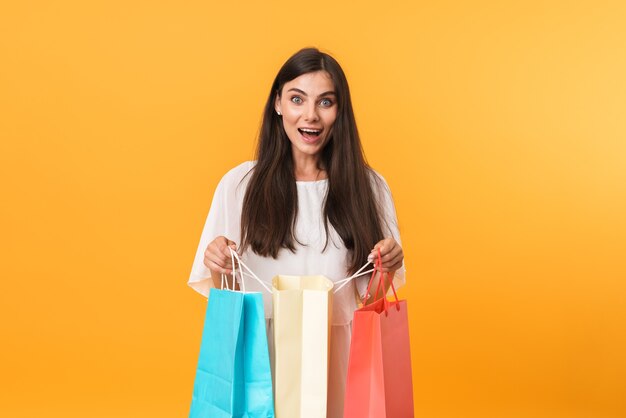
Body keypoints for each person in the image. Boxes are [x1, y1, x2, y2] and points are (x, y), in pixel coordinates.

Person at [187, 47, 405, 418]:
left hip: (338, 358)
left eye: (325, 102)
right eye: (297, 99)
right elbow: (227, 298)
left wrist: (387, 264)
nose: (310, 115)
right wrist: (220, 263)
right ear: (277, 104)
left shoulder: (369, 186)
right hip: (262, 361)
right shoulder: (239, 184)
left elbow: (370, 300)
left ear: (340, 111)